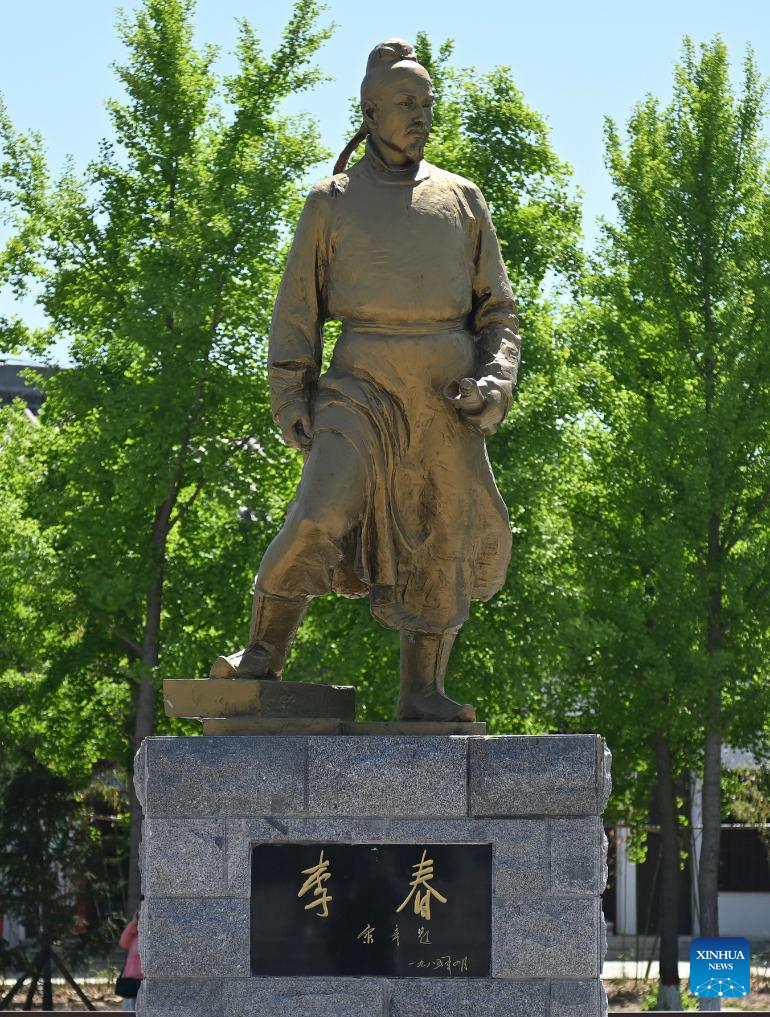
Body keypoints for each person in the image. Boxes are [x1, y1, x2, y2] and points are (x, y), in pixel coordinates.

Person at [211, 39, 521, 723]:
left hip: (444, 394)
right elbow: (297, 308)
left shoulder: (462, 198)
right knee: (320, 511)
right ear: (370, 110)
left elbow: (498, 312)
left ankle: (423, 689)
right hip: (359, 388)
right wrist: (290, 392)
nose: (420, 116)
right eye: (406, 104)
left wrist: (493, 385)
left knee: (443, 536)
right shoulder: (331, 201)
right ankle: (262, 651)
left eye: (427, 104)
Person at [116, 906, 143, 1011]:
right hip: (130, 979)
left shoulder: (152, 934)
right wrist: (133, 923)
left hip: (145, 980)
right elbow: (123, 943)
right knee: (129, 1010)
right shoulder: (134, 933)